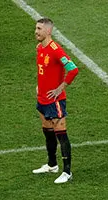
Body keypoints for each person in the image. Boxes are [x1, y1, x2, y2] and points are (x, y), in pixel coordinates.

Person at [31, 18, 78, 184]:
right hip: (42, 98)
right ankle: (52, 165)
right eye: (36, 28)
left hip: (55, 100)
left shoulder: (56, 50)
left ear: (48, 31)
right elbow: (44, 71)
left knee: (61, 135)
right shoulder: (39, 48)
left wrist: (61, 88)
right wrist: (39, 86)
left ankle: (67, 172)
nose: (36, 31)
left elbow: (73, 69)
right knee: (47, 132)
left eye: (39, 29)